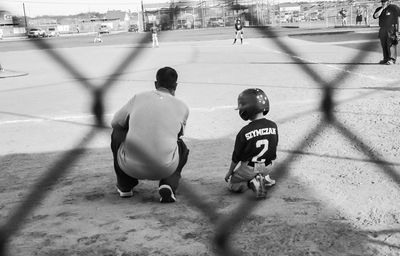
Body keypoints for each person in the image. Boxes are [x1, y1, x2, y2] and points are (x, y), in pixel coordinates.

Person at [110, 67, 190, 203]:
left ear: (155, 84)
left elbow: (115, 123)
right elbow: (178, 134)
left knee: (117, 133)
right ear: (175, 86)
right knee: (181, 146)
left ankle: (125, 186)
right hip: (164, 168)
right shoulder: (182, 106)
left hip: (131, 166)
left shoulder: (138, 97)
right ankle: (168, 184)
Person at [224, 88, 279, 199]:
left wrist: (230, 172)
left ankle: (253, 182)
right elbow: (273, 148)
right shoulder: (273, 125)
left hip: (250, 168)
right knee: (263, 165)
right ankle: (264, 178)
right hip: (268, 166)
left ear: (248, 110)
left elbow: (236, 156)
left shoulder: (244, 131)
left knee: (232, 185)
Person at [373, 0, 400, 65]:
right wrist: (382, 8)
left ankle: (392, 59)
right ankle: (386, 59)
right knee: (384, 44)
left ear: (388, 1)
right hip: (382, 29)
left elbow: (399, 18)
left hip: (391, 28)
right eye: (382, 2)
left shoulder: (394, 7)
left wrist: (399, 30)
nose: (383, 3)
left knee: (391, 44)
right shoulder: (379, 9)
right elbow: (375, 16)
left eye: (384, 1)